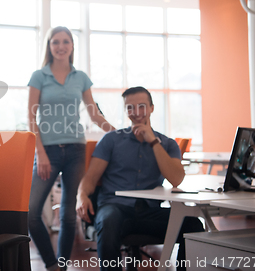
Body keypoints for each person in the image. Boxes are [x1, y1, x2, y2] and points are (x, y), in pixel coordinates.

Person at [76, 86, 204, 271]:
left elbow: (176, 179)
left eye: (142, 106)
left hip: (149, 211)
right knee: (107, 221)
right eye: (130, 108)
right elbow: (90, 178)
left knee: (193, 225)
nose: (136, 113)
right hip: (115, 208)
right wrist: (82, 195)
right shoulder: (111, 140)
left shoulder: (167, 144)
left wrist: (152, 141)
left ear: (152, 108)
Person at [28, 26, 115, 271]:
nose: (61, 46)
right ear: (49, 46)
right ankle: (51, 263)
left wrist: (117, 132)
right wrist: (40, 153)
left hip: (76, 149)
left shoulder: (81, 77)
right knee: (32, 213)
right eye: (56, 42)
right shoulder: (39, 76)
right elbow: (32, 118)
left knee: (68, 215)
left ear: (72, 46)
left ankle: (61, 266)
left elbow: (93, 114)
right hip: (48, 150)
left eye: (66, 41)